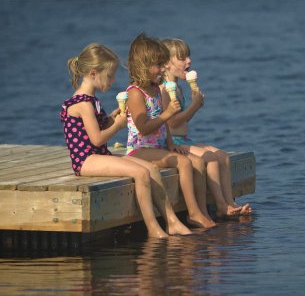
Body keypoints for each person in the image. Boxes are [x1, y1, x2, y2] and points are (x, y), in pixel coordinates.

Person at [60, 43, 192, 239]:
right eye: (110, 75)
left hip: (99, 155)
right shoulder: (83, 103)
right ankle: (153, 228)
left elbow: (96, 129)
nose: (113, 80)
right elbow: (96, 140)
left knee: (152, 169)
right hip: (86, 160)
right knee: (140, 172)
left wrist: (111, 119)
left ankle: (172, 221)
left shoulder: (91, 100)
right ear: (94, 73)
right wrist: (118, 126)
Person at [124, 33, 216, 229]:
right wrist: (167, 114)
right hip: (139, 148)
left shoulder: (156, 89)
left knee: (197, 162)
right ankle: (192, 213)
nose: (163, 68)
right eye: (159, 65)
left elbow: (164, 125)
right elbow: (143, 128)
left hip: (159, 145)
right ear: (143, 66)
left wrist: (172, 144)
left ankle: (202, 211)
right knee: (183, 163)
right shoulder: (135, 92)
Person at [160, 38, 252, 217]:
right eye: (182, 58)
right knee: (210, 158)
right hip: (172, 142)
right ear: (167, 64)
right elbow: (171, 123)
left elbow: (183, 121)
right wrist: (194, 106)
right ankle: (220, 206)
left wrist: (196, 105)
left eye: (188, 56)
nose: (189, 61)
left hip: (184, 139)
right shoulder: (164, 90)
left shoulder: (178, 88)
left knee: (223, 157)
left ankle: (230, 202)